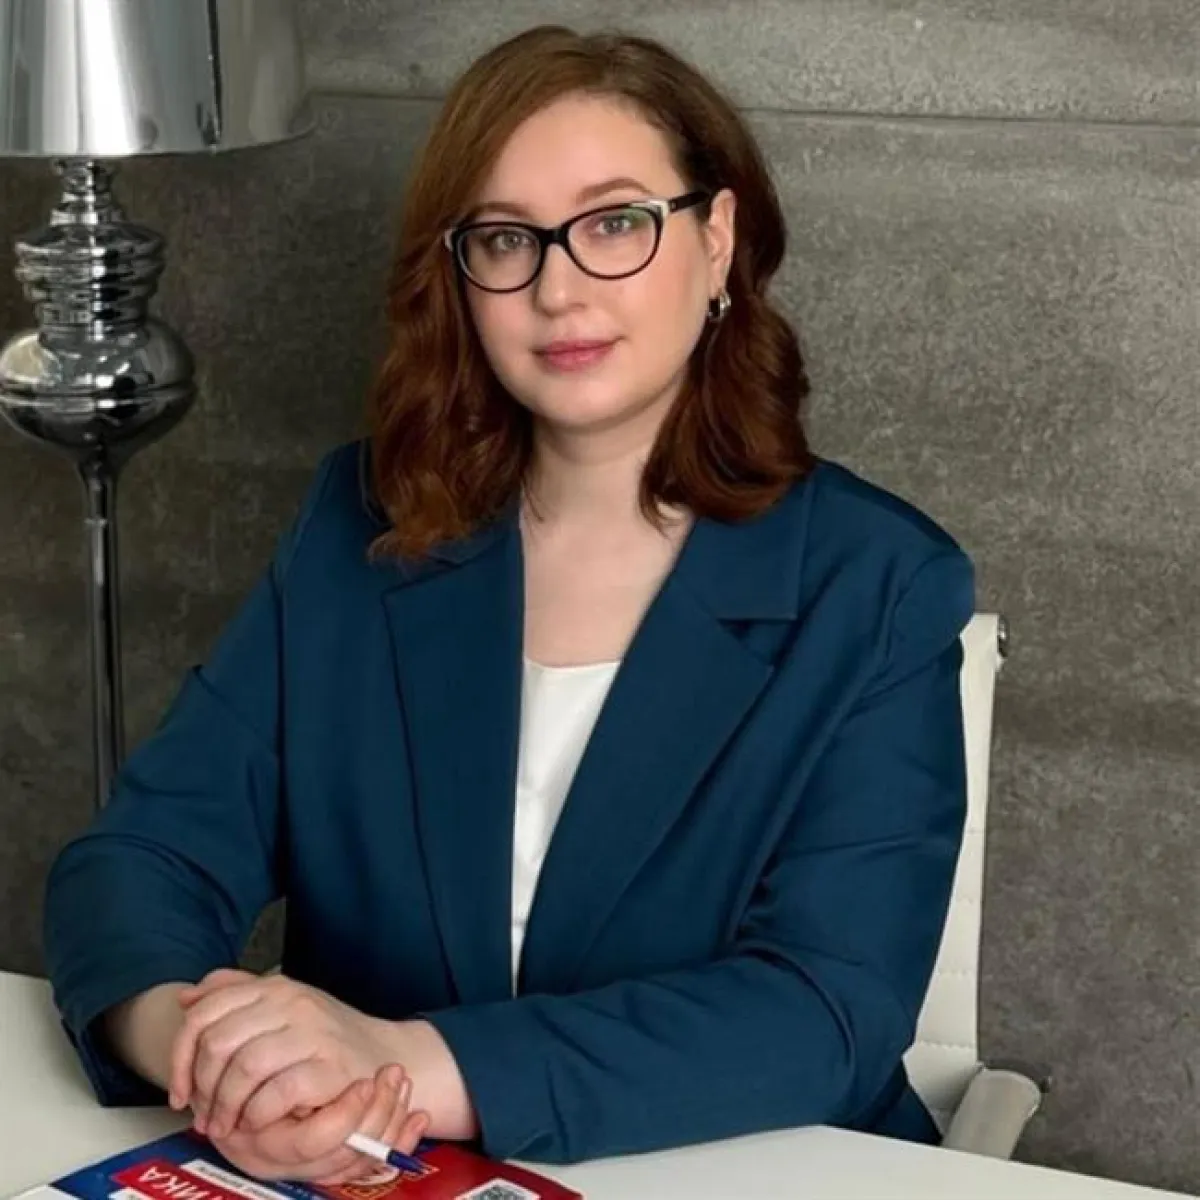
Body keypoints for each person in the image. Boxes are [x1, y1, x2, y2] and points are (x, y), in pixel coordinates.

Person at [43, 23, 975, 1186]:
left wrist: (403, 1063)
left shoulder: (878, 583)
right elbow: (141, 858)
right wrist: (218, 1058)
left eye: (616, 223)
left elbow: (827, 1012)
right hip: (370, 1172)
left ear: (718, 241)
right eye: (503, 239)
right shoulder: (358, 530)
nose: (557, 288)